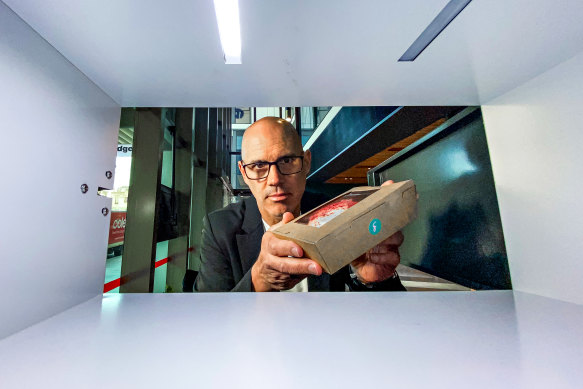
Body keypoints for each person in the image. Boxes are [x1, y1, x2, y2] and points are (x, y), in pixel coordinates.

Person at [194, 117, 406, 292]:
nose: (275, 179)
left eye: (286, 161)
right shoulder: (219, 228)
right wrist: (258, 281)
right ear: (244, 173)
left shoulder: (338, 212)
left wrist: (375, 280)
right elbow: (205, 323)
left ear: (306, 163)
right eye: (259, 166)